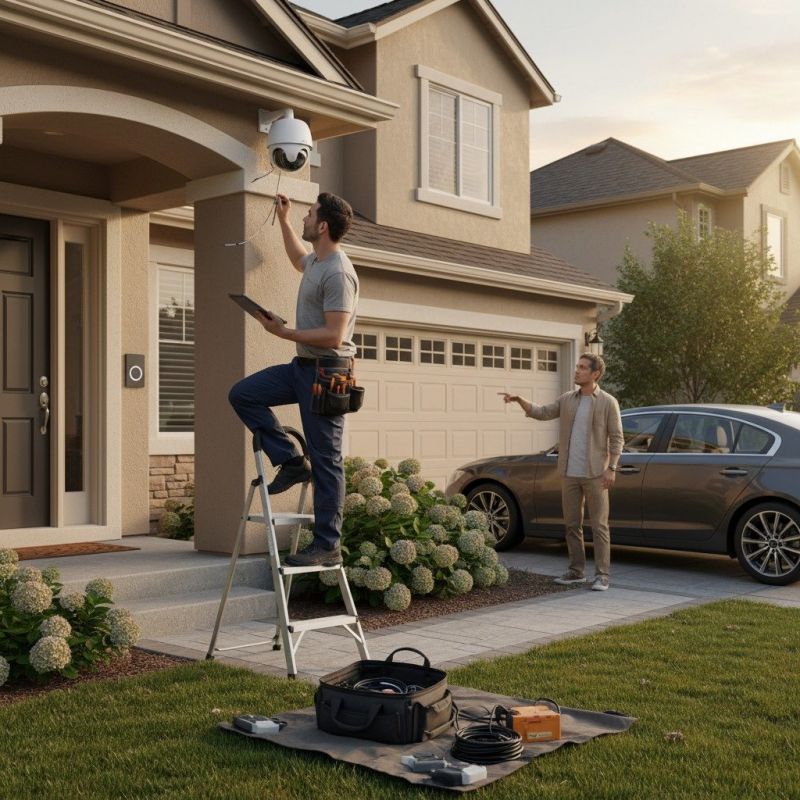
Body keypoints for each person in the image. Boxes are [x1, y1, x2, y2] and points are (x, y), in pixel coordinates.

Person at [228, 192, 358, 567]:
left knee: (327, 459)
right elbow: (298, 258)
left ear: (322, 226)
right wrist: (284, 221)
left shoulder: (338, 272)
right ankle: (290, 460)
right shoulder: (317, 261)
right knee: (244, 394)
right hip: (301, 369)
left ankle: (327, 545)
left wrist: (282, 333)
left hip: (328, 373)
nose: (305, 215)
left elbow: (335, 335)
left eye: (309, 213)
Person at [499, 353, 623, 591]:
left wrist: (612, 468)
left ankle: (602, 575)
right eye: (577, 366)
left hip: (596, 473)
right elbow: (542, 412)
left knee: (599, 526)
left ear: (595, 374)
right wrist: (520, 400)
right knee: (571, 525)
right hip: (569, 473)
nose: (577, 371)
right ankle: (577, 571)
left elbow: (617, 439)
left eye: (583, 368)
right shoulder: (568, 399)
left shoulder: (608, 402)